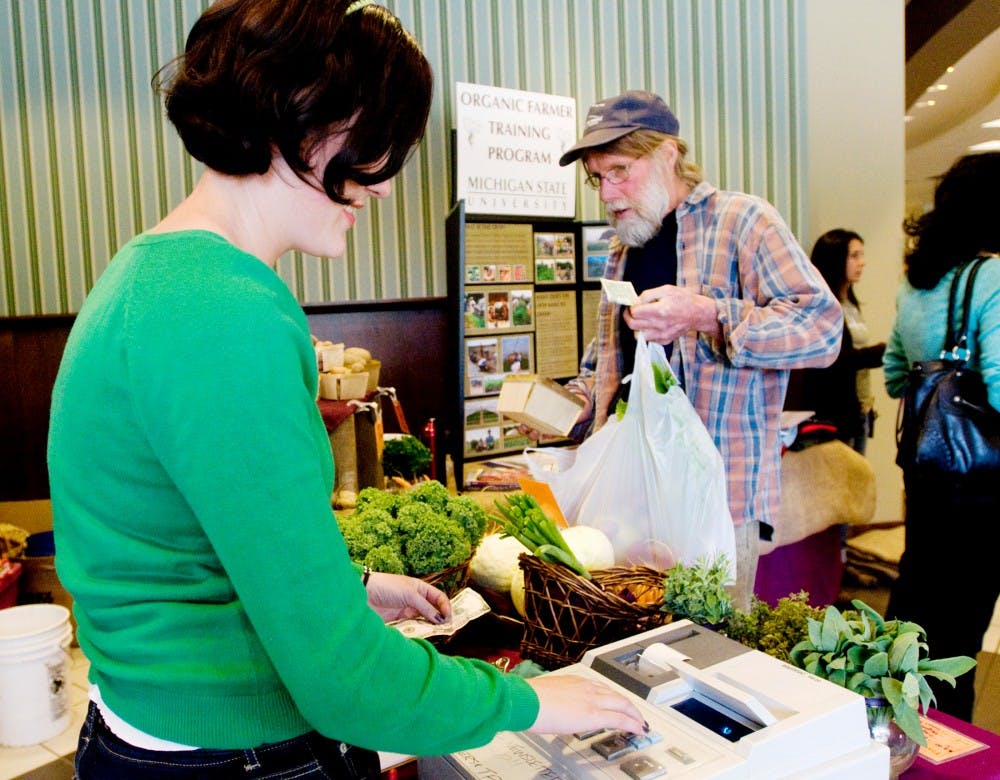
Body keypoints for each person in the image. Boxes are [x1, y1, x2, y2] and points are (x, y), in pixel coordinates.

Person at [46, 3, 646, 777]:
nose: (386, 185)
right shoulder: (223, 311)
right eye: (376, 144)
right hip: (231, 752)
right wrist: (532, 702)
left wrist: (347, 587)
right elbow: (344, 682)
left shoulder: (152, 273)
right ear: (302, 118)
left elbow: (184, 542)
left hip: (151, 728)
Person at [555, 91, 843, 611]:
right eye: (598, 178)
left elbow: (822, 330)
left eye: (620, 170)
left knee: (709, 660)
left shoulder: (744, 222)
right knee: (638, 656)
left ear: (668, 154)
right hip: (629, 500)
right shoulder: (623, 248)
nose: (607, 192)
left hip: (720, 503)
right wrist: (561, 411)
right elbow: (604, 367)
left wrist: (707, 314)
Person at [883, 151, 1000, 722]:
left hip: (925, 470)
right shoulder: (993, 277)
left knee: (920, 606)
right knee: (962, 630)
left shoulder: (916, 283)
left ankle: (906, 730)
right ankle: (954, 747)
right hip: (982, 482)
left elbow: (892, 375)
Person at [795, 229, 886, 453]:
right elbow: (836, 357)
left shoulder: (850, 303)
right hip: (834, 415)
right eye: (854, 256)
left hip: (860, 409)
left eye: (861, 255)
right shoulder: (823, 306)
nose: (862, 263)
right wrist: (882, 352)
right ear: (836, 259)